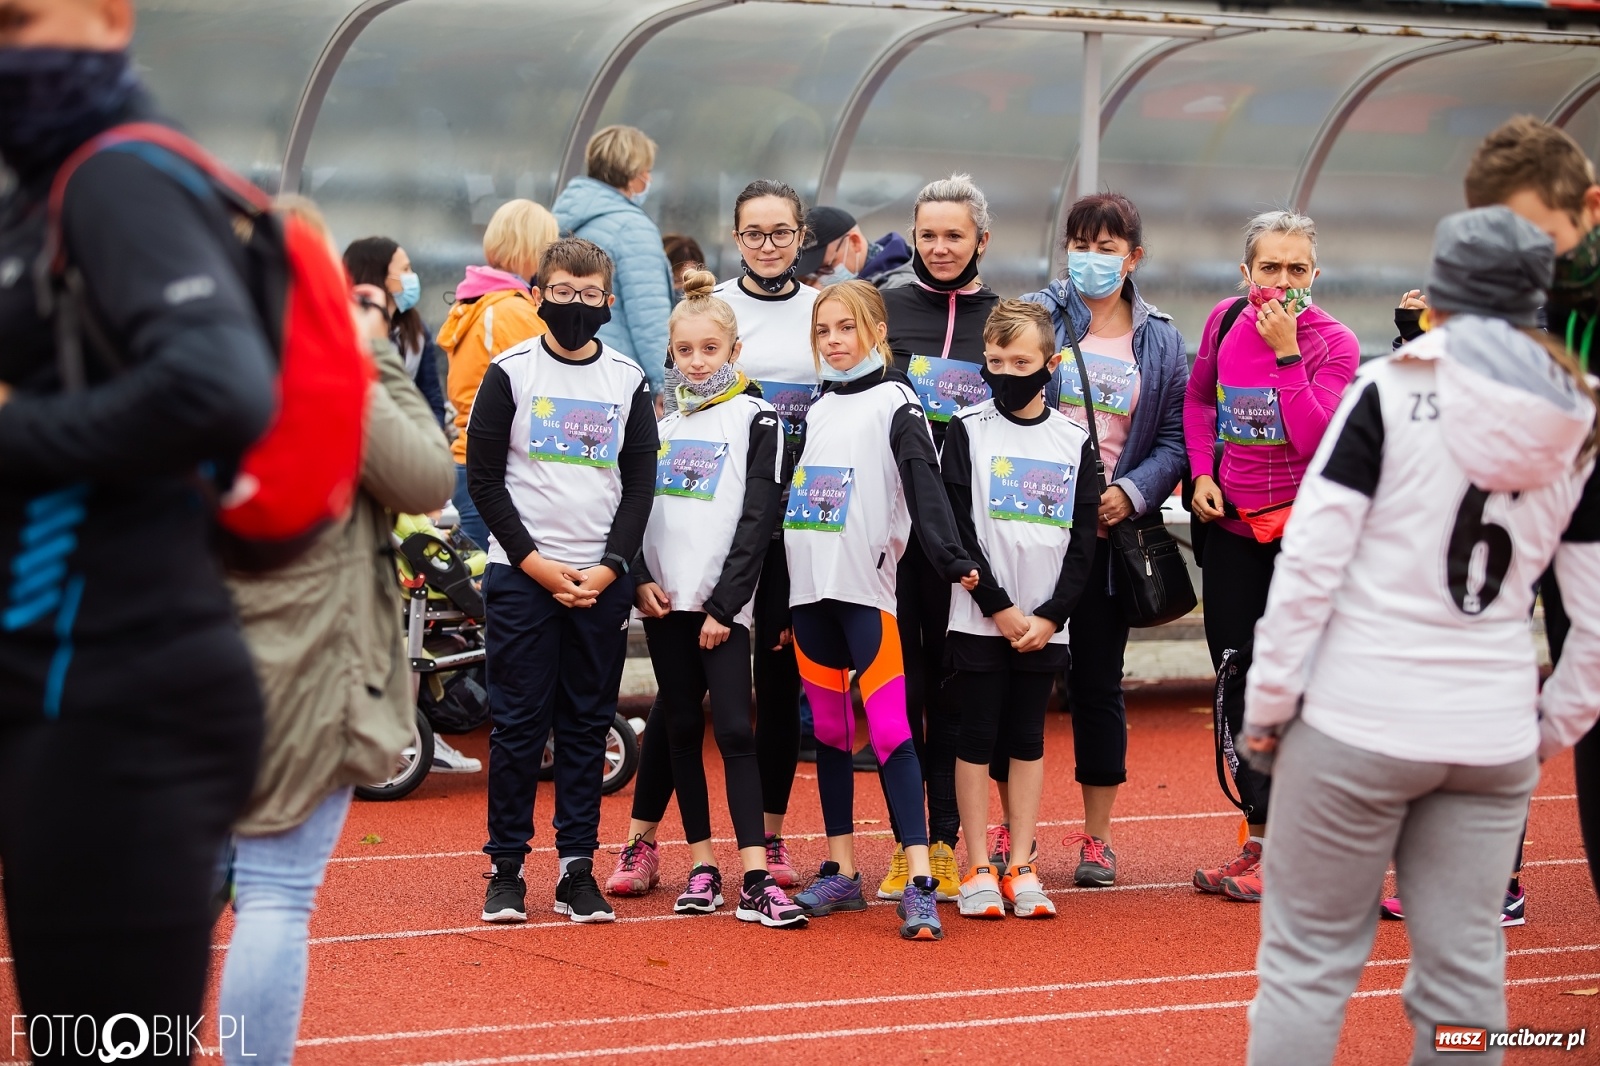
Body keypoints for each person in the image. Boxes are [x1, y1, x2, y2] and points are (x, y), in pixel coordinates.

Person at [1241, 206, 1600, 1066]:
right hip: (1488, 727)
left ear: (1441, 291)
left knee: (1306, 967)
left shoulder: (1389, 390)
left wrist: (1269, 707)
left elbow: (1309, 568)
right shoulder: (1578, 412)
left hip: (1359, 716)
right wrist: (1546, 728)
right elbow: (1591, 621)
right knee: (1466, 979)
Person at [0, 0, 276, 1045]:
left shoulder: (119, 174)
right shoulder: (43, 197)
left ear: (110, 16)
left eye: (17, 18)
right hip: (62, 690)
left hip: (121, 696)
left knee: (102, 1043)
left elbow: (218, 387)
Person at [220, 205, 456, 1065]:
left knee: (158, 898)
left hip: (185, 646)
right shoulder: (326, 372)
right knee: (276, 896)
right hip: (309, 655)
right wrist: (371, 353)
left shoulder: (179, 355)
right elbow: (426, 474)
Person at [609, 179, 820, 899]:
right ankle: (668, 847)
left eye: (781, 232)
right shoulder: (668, 416)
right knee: (678, 712)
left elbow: (758, 510)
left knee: (751, 712)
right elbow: (637, 501)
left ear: (802, 235)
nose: (768, 244)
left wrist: (730, 602)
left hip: (767, 560)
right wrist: (637, 575)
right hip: (674, 594)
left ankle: (763, 847)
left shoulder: (817, 317)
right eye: (755, 233)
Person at [784, 279, 980, 941]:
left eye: (845, 328)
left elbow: (925, 484)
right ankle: (841, 870)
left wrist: (951, 557)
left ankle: (920, 878)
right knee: (834, 736)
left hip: (867, 595)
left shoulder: (897, 400)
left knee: (893, 734)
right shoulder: (816, 408)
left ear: (874, 331)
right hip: (809, 595)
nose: (834, 342)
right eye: (823, 331)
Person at [1004, 191, 1189, 887]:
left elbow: (1174, 441)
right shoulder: (1038, 315)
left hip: (1111, 536)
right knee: (1016, 679)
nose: (1091, 258)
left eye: (1107, 247)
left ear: (1134, 257)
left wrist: (1131, 492)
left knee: (1098, 685)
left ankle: (1097, 837)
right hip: (1032, 528)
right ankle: (1006, 828)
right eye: (1080, 243)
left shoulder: (1162, 339)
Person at [469, 237, 657, 925]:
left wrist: (610, 568)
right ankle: (507, 870)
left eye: (589, 294)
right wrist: (536, 565)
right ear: (538, 292)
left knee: (585, 723)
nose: (575, 305)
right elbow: (484, 482)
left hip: (599, 581)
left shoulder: (628, 379)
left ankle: (577, 869)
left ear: (608, 300)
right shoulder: (510, 372)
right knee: (518, 726)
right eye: (562, 291)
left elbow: (640, 486)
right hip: (523, 577)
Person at [1183, 209, 1360, 904]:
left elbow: (1319, 438)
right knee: (1237, 684)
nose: (1282, 282)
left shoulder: (1333, 342)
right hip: (1231, 536)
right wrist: (1201, 472)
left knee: (1305, 690)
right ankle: (1257, 841)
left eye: (1296, 269)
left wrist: (1287, 352)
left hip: (1304, 539)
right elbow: (1199, 400)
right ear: (1245, 272)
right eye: (1269, 269)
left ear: (1315, 275)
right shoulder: (1225, 321)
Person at [943, 301, 1097, 920]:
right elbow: (957, 527)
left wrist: (1052, 615)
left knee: (1028, 739)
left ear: (1050, 365)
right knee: (977, 735)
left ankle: (1022, 863)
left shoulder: (1073, 441)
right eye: (997, 361)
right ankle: (978, 863)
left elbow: (1084, 541)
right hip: (981, 617)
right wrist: (999, 607)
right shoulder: (967, 428)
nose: (1008, 371)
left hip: (1045, 625)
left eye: (1022, 361)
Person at [878, 173, 1000, 902]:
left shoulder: (1007, 316)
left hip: (969, 532)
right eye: (928, 234)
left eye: (954, 235)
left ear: (981, 239)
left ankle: (951, 839)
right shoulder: (883, 307)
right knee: (906, 684)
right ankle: (907, 841)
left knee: (958, 685)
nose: (940, 246)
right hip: (896, 532)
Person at [437, 198, 558, 550]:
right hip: (496, 463)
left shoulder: (476, 303)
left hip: (467, 453)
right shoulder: (511, 311)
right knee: (488, 588)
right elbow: (546, 379)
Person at [552, 125, 672, 396]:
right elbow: (649, 319)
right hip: (618, 378)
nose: (648, 179)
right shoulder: (632, 228)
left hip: (567, 365)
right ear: (633, 176)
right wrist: (666, 386)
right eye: (646, 171)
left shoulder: (563, 217)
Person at [344, 236, 448, 428]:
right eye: (405, 269)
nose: (412, 277)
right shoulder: (348, 330)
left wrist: (432, 439)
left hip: (409, 439)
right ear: (380, 277)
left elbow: (431, 395)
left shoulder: (416, 329)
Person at [795, 205, 911, 288]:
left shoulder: (899, 288)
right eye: (810, 275)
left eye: (826, 268)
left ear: (855, 243)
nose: (820, 280)